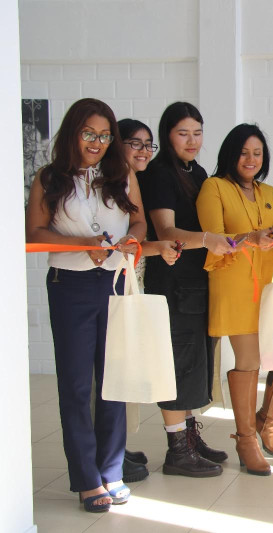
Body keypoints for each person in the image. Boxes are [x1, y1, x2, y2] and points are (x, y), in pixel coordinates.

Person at [25, 98, 146, 511]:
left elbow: (140, 222)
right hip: (70, 287)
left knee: (112, 382)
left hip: (114, 281)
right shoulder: (49, 179)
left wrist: (130, 243)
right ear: (73, 133)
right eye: (88, 133)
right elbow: (34, 234)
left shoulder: (122, 174)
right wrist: (82, 245)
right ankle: (86, 478)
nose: (97, 142)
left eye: (104, 135)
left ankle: (111, 470)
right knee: (77, 387)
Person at [197, 124, 273, 475]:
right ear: (230, 153)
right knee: (250, 360)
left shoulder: (269, 191)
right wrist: (250, 237)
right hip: (234, 286)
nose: (251, 159)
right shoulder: (214, 188)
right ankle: (246, 440)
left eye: (257, 153)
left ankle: (266, 424)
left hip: (270, 288)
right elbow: (214, 238)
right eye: (244, 152)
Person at [140, 102, 233, 477]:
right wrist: (210, 239)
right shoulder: (161, 173)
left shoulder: (198, 172)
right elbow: (166, 233)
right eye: (183, 133)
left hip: (197, 283)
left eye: (198, 132)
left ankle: (189, 438)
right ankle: (177, 448)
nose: (192, 140)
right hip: (172, 284)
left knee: (195, 364)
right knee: (176, 363)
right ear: (167, 135)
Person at [116, 118, 180, 484]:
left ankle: (117, 446)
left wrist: (156, 249)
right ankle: (111, 450)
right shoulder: (112, 182)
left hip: (132, 280)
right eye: (134, 143)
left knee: (127, 366)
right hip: (111, 284)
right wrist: (156, 247)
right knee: (112, 368)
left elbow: (135, 242)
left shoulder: (135, 181)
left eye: (147, 144)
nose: (143, 151)